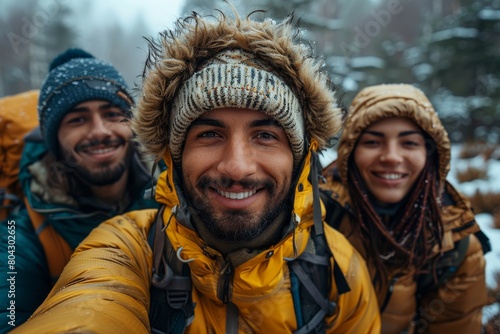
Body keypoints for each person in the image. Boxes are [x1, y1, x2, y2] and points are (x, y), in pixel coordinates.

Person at [10, 8, 381, 334]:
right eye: (209, 134)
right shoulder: (127, 245)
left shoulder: (338, 269)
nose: (237, 166)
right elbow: (92, 304)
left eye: (266, 135)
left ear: (300, 159)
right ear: (174, 155)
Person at [0, 48, 158, 331]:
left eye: (112, 114)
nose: (99, 131)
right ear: (53, 140)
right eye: (78, 119)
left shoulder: (174, 198)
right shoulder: (18, 238)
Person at [320, 84, 489, 333]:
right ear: (350, 153)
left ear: (431, 154)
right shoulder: (313, 217)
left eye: (409, 143)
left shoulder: (455, 245)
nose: (391, 156)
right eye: (372, 142)